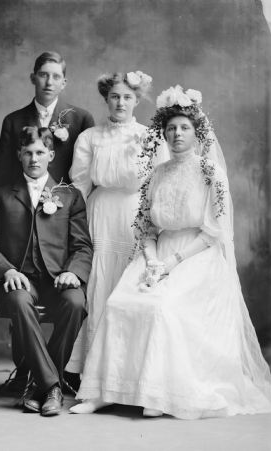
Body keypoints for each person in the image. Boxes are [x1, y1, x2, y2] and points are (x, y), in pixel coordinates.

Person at [70, 86, 271, 419]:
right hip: (157, 253)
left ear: (197, 132)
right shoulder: (157, 173)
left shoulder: (212, 175)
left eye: (184, 128)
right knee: (118, 303)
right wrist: (152, 260)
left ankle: (157, 392)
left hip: (196, 255)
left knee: (163, 308)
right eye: (171, 129)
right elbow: (146, 228)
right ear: (162, 134)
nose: (176, 134)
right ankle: (104, 391)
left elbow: (214, 233)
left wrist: (172, 263)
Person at [0, 126, 93, 416]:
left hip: (57, 278)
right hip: (18, 279)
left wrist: (73, 273)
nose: (33, 158)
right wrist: (6, 271)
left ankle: (37, 384)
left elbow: (82, 247)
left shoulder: (70, 196)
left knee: (76, 302)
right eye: (28, 152)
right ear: (19, 155)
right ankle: (52, 386)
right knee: (18, 298)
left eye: (40, 152)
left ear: (51, 155)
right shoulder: (0, 196)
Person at [66, 71, 168, 373]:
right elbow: (80, 185)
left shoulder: (151, 137)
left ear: (137, 100)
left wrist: (155, 226)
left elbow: (159, 183)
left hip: (135, 216)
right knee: (100, 286)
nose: (120, 102)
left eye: (127, 97)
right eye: (114, 96)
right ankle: (95, 371)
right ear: (106, 99)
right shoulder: (90, 137)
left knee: (129, 286)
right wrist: (74, 227)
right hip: (100, 215)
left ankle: (129, 372)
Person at [0, 51, 94, 185]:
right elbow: (4, 171)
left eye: (56, 77)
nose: (49, 82)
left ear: (64, 83)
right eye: (43, 75)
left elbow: (88, 171)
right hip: (24, 200)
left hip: (67, 200)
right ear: (33, 78)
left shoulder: (82, 119)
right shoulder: (13, 121)